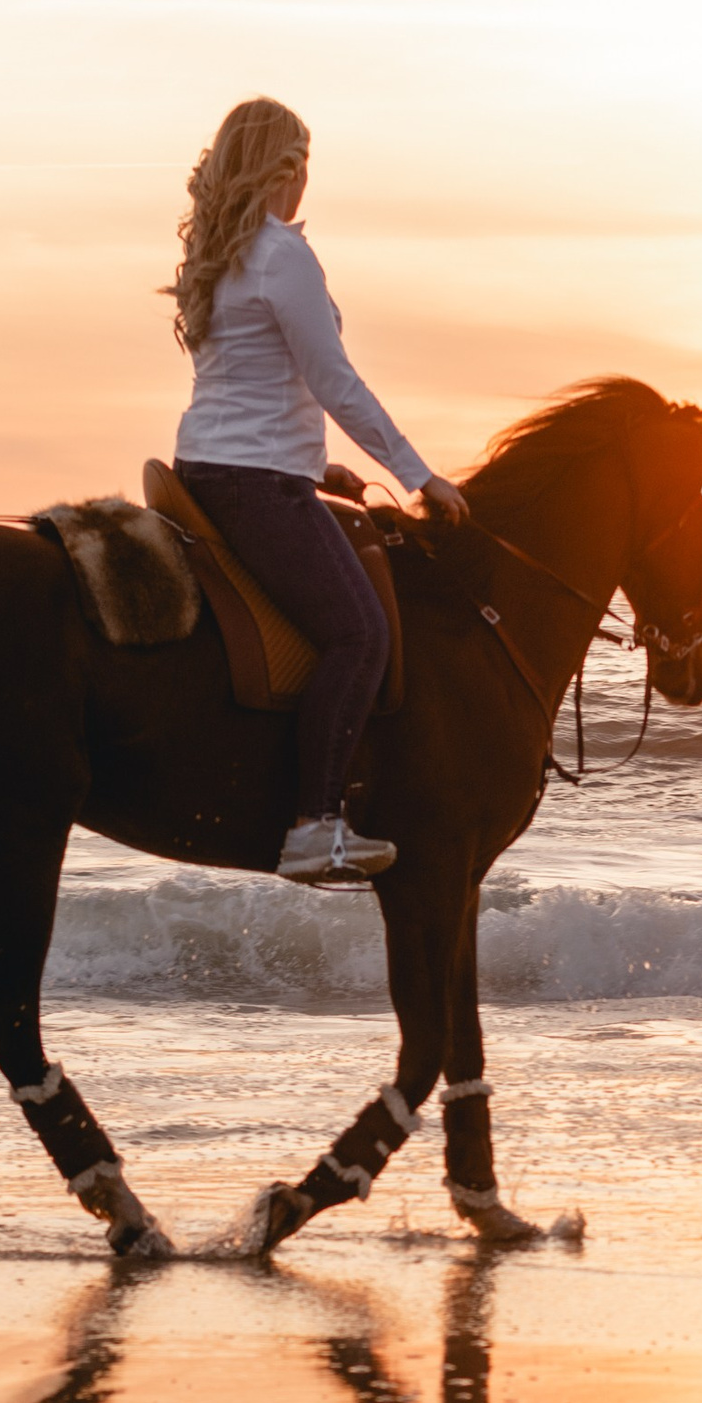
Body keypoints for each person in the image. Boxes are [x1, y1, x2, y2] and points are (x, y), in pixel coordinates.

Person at [166, 97, 469, 886]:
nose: (306, 187)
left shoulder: (220, 254)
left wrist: (317, 462)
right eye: (303, 169)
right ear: (287, 169)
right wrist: (418, 474)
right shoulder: (280, 254)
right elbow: (333, 379)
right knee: (360, 635)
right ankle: (316, 824)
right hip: (256, 485)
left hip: (211, 469)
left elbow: (259, 382)